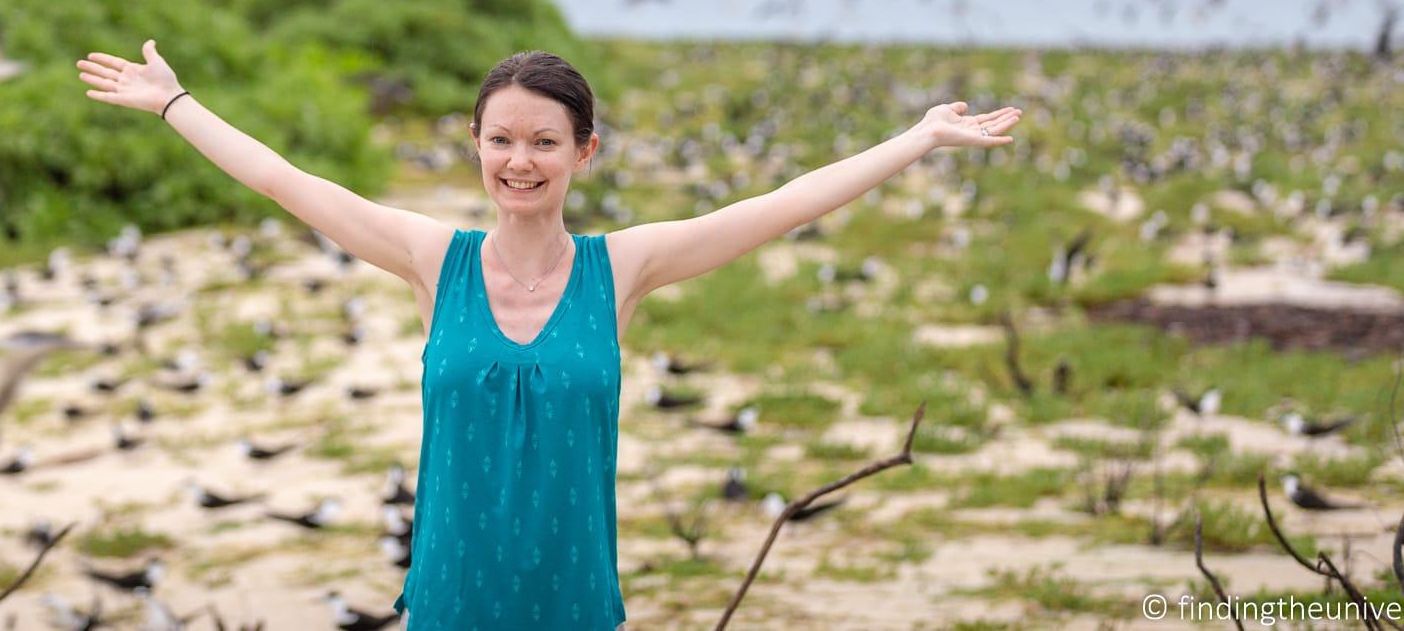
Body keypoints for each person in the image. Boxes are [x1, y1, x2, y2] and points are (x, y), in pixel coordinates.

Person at [76, 42, 1022, 630]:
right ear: (476, 145)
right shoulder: (428, 256)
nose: (518, 161)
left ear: (583, 151)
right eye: (500, 139)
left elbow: (779, 205)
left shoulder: (625, 267)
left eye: (543, 141)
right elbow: (289, 182)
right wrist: (173, 102)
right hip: (449, 594)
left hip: (574, 594)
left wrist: (920, 138)